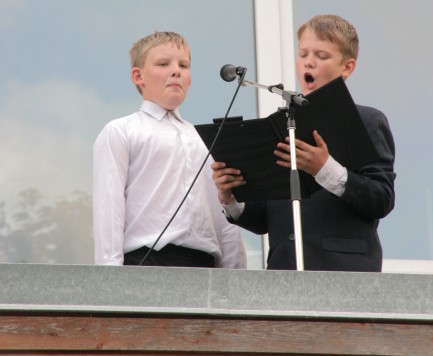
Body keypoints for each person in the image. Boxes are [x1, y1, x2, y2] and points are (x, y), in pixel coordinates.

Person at [212, 15, 395, 272]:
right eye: (303, 54)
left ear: (347, 67)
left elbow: (381, 199)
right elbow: (264, 219)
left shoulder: (367, 121)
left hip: (344, 274)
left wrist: (324, 168)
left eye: (321, 55)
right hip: (284, 274)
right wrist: (230, 196)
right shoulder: (282, 126)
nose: (309, 61)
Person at [93, 31, 246, 269]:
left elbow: (223, 213)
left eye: (183, 65)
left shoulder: (206, 139)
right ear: (138, 76)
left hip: (205, 266)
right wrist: (110, 275)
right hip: (145, 262)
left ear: (190, 79)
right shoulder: (121, 131)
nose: (176, 71)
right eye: (163, 64)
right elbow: (109, 207)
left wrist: (236, 277)